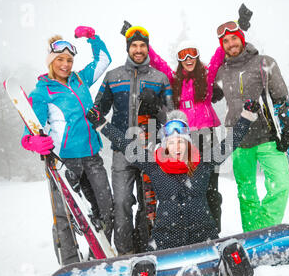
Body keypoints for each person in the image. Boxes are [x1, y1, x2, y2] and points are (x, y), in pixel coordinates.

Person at [87, 103, 261, 251]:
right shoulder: (154, 165)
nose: (177, 146)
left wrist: (247, 116)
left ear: (188, 143)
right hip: (167, 242)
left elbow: (229, 143)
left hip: (204, 239)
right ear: (165, 145)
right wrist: (102, 124)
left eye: (180, 142)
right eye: (171, 142)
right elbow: (125, 144)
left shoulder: (203, 162)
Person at [20, 26, 113, 265]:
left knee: (105, 206)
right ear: (51, 61)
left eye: (69, 60)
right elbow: (29, 132)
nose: (66, 64)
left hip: (92, 155)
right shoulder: (42, 92)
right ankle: (70, 262)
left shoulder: (80, 79)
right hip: (64, 160)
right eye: (60, 59)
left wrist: (93, 38)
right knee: (65, 214)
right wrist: (34, 141)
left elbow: (104, 60)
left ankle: (98, 255)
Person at [93, 26, 174, 255]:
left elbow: (173, 117)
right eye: (134, 46)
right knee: (121, 203)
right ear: (128, 48)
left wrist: (157, 108)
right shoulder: (113, 76)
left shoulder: (160, 78)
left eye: (142, 45)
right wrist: (95, 115)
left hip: (151, 149)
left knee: (150, 204)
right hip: (122, 150)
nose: (138, 50)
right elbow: (99, 110)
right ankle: (125, 253)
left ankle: (149, 248)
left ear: (147, 48)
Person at [214, 20, 289, 232]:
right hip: (238, 139)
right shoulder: (222, 71)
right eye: (225, 41)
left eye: (234, 38)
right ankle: (251, 236)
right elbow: (209, 95)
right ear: (222, 46)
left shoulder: (264, 62)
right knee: (246, 192)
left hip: (267, 135)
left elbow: (282, 99)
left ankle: (263, 228)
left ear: (242, 37)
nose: (231, 44)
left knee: (281, 185)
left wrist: (287, 125)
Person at [148, 40, 226, 233]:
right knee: (189, 186)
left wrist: (236, 29)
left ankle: (213, 230)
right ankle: (189, 229)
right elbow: (159, 64)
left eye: (192, 54)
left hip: (206, 135)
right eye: (183, 55)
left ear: (197, 56)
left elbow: (218, 59)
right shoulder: (175, 80)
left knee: (211, 188)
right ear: (179, 59)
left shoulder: (206, 76)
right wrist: (144, 41)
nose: (188, 59)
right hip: (185, 139)